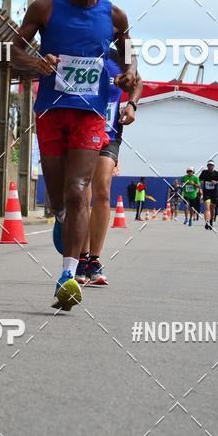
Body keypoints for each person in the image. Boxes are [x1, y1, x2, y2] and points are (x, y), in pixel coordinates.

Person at [10, 0, 136, 311]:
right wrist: (35, 61)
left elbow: (130, 60)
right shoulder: (45, 8)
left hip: (90, 114)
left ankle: (68, 274)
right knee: (59, 198)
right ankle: (63, 219)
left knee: (79, 190)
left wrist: (128, 75)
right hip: (51, 111)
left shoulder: (115, 16)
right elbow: (12, 49)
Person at [76, 49, 143, 285]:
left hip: (109, 133)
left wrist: (132, 104)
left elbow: (138, 81)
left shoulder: (118, 56)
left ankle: (94, 260)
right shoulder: (79, 51)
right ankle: (81, 258)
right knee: (82, 195)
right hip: (80, 131)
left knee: (102, 190)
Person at [199, 160, 218, 230]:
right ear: (207, 166)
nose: (210, 166)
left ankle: (211, 222)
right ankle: (207, 222)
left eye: (211, 165)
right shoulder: (204, 172)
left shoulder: (217, 173)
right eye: (209, 165)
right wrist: (200, 183)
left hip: (214, 193)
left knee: (212, 209)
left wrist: (216, 182)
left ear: (213, 166)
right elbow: (199, 179)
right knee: (207, 207)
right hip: (206, 193)